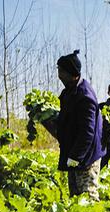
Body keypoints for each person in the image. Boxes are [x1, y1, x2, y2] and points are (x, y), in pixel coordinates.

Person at [44, 50, 105, 199]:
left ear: (71, 73)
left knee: (88, 195)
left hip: (86, 157)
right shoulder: (70, 91)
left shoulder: (85, 96)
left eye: (60, 71)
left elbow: (88, 132)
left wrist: (75, 157)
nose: (58, 75)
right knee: (75, 196)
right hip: (74, 153)